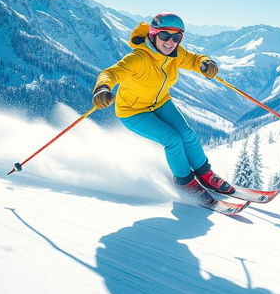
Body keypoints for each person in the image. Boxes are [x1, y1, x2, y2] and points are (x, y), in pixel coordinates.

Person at [92, 12, 233, 204]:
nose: (170, 42)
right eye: (165, 36)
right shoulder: (138, 58)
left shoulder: (176, 54)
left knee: (187, 134)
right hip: (133, 111)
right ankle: (185, 182)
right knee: (173, 139)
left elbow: (194, 59)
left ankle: (205, 174)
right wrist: (102, 88)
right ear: (153, 34)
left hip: (159, 103)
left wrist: (205, 63)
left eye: (176, 38)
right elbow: (111, 73)